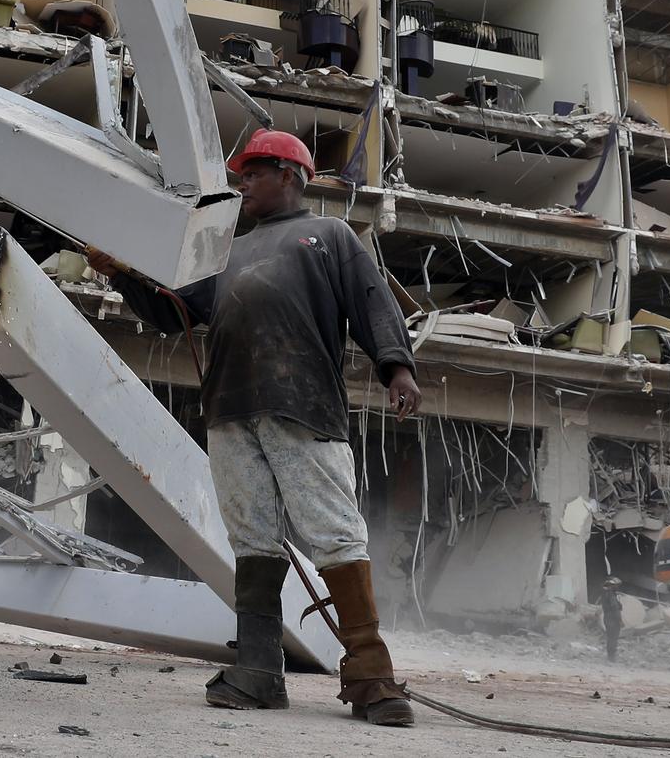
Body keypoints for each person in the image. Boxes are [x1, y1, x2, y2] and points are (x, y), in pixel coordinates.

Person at [87, 128, 421, 727]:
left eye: (254, 174)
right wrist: (121, 273)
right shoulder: (227, 253)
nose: (243, 184)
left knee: (334, 533)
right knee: (253, 539)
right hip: (230, 410)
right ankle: (260, 673)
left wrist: (396, 367)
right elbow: (174, 310)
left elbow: (374, 302)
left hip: (301, 403)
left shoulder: (329, 236)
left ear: (290, 175)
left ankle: (372, 677)